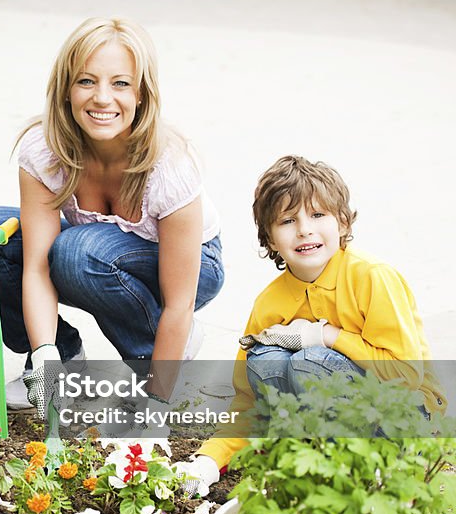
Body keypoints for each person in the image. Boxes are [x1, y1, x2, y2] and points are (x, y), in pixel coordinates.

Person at [0, 16, 224, 417]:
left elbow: (180, 302)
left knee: (78, 251)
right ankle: (64, 358)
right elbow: (37, 267)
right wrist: (45, 356)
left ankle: (156, 355)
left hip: (190, 265)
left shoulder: (170, 166)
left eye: (120, 83)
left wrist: (156, 406)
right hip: (92, 251)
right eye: (86, 81)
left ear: (142, 94)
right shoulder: (45, 151)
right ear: (65, 90)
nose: (102, 98)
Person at [177, 155, 446, 496]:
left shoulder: (372, 278)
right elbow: (250, 402)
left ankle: (369, 472)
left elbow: (407, 375)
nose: (304, 229)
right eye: (288, 220)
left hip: (405, 416)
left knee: (310, 362)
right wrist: (209, 460)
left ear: (343, 224)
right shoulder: (269, 303)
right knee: (264, 360)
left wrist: (325, 335)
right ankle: (313, 458)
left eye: (318, 215)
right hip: (325, 420)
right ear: (270, 239)